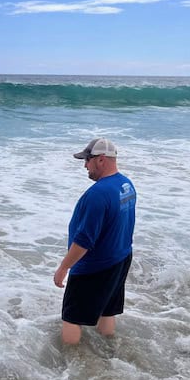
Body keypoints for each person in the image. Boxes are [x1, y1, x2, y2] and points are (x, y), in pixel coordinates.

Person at [53, 138, 136, 345]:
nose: (85, 166)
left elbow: (84, 240)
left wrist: (64, 268)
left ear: (100, 160)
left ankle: (72, 362)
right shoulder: (126, 184)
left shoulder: (98, 194)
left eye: (87, 160)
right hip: (121, 257)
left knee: (71, 318)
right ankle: (108, 350)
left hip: (94, 266)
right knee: (107, 310)